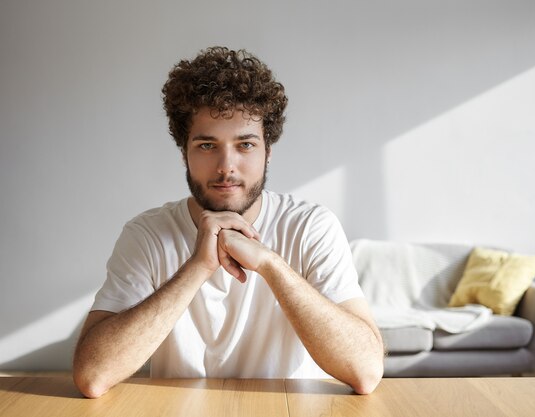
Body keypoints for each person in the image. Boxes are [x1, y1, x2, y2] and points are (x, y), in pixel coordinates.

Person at [72, 47, 384, 398]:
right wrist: (199, 266)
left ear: (268, 150)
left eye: (245, 145)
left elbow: (366, 371)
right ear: (183, 152)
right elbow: (92, 375)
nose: (226, 167)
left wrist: (269, 264)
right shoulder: (146, 235)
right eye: (207, 145)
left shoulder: (311, 227)